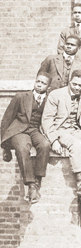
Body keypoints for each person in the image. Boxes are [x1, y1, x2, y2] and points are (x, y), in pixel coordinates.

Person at [41, 70, 81, 197]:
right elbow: (47, 120)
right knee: (76, 145)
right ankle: (79, 181)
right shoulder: (56, 95)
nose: (77, 88)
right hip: (59, 129)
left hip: (76, 129)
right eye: (75, 84)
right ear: (69, 82)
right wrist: (54, 140)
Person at [1, 73, 52, 204]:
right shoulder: (21, 96)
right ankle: (30, 185)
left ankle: (37, 182)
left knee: (45, 145)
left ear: (48, 86)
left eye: (43, 83)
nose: (39, 84)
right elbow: (6, 119)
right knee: (23, 147)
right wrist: (4, 146)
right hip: (19, 130)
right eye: (38, 81)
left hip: (35, 130)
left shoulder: (50, 100)